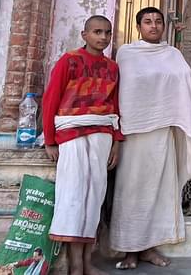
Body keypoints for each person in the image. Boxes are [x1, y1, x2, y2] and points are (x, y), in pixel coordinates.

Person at [109, 7, 191, 270]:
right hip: (133, 134)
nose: (153, 26)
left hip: (163, 133)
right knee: (130, 192)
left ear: (164, 26)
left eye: (158, 22)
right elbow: (119, 92)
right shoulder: (127, 55)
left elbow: (184, 88)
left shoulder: (172, 55)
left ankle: (150, 248)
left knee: (160, 191)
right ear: (138, 26)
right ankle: (130, 250)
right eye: (147, 22)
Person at [42, 15, 123, 275]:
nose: (103, 37)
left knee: (95, 196)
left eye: (107, 33)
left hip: (102, 133)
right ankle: (75, 263)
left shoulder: (112, 68)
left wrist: (117, 142)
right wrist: (49, 139)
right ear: (84, 34)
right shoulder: (70, 61)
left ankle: (88, 262)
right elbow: (51, 99)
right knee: (73, 195)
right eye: (97, 32)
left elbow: (116, 106)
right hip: (71, 133)